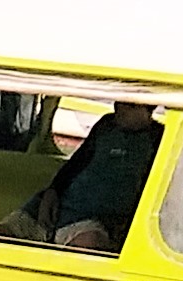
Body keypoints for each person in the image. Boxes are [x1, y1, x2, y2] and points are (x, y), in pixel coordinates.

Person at [15, 101, 165, 251]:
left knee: (89, 244)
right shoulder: (106, 125)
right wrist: (53, 190)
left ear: (149, 108)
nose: (119, 108)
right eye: (118, 102)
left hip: (95, 221)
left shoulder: (158, 138)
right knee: (6, 232)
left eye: (129, 105)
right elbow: (77, 162)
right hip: (58, 206)